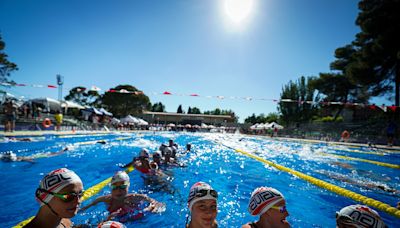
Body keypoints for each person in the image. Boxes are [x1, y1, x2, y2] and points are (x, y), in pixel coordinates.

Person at [80, 171, 164, 223]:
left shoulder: (136, 197)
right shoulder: (105, 199)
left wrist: (151, 208)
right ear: (110, 188)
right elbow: (85, 208)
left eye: (123, 187)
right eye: (114, 187)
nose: (118, 190)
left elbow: (158, 204)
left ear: (128, 187)